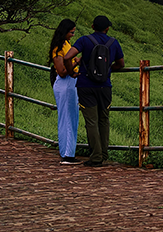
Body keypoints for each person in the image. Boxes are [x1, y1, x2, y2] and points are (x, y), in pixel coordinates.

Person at [63, 15, 124, 167]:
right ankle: (103, 153)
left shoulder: (84, 40)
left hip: (86, 85)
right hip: (105, 87)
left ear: (92, 26)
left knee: (91, 122)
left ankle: (96, 157)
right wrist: (108, 70)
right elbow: (121, 64)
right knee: (104, 120)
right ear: (107, 28)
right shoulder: (113, 43)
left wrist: (72, 72)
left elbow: (67, 56)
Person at [48, 18, 82, 164]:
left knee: (69, 118)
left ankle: (66, 151)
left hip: (69, 83)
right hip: (66, 83)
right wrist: (75, 62)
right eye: (71, 32)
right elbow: (62, 71)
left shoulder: (66, 44)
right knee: (68, 118)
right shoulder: (59, 48)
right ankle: (68, 154)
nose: (72, 35)